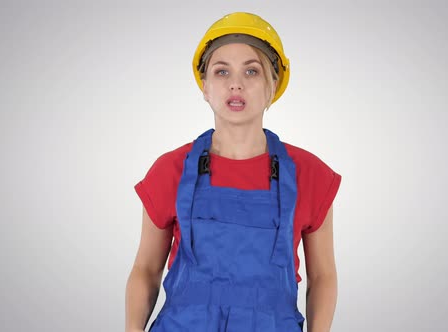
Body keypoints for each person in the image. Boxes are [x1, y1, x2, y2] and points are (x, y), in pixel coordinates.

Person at [125, 12, 341, 332]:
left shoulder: (310, 175)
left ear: (274, 83)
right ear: (205, 86)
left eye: (251, 71)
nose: (235, 84)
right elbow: (145, 269)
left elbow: (322, 277)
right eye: (221, 71)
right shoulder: (170, 170)